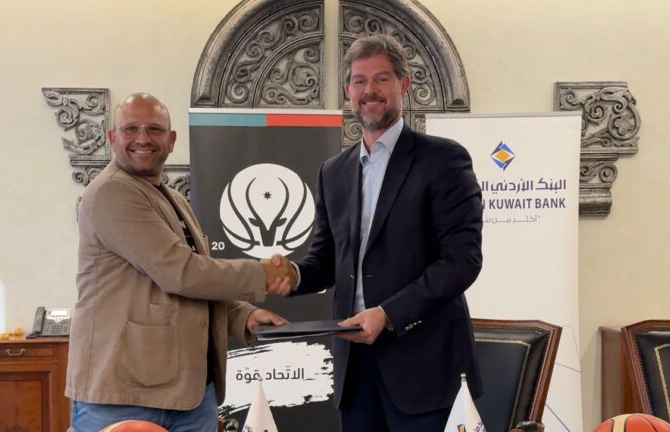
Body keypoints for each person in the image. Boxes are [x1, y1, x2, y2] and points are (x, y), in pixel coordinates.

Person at [275, 34, 484, 430]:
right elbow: (327, 260)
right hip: (356, 371)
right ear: (347, 91)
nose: (369, 90)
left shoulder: (443, 159)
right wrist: (293, 275)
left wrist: (387, 315)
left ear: (404, 85)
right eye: (359, 81)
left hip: (425, 369)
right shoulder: (333, 171)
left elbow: (462, 262)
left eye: (381, 79)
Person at [66, 93, 293, 432]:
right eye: (131, 129)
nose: (143, 138)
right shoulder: (112, 192)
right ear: (112, 137)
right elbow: (180, 273)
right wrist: (263, 273)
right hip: (126, 395)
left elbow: (196, 279)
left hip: (189, 393)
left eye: (154, 129)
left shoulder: (173, 199)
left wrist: (242, 315)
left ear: (171, 141)